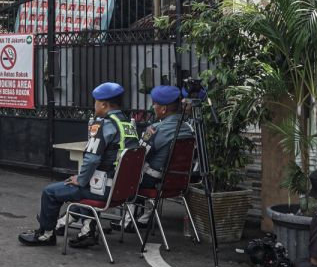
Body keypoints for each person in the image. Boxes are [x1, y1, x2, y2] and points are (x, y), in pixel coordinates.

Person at [19, 82, 140, 247]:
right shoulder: (128, 125)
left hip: (103, 189)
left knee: (50, 192)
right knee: (83, 187)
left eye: (95, 102)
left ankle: (46, 235)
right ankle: (87, 231)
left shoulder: (103, 124)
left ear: (104, 104)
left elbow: (91, 159)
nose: (94, 105)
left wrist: (81, 179)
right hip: (123, 190)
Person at [130, 85, 195, 230]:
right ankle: (144, 217)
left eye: (155, 104)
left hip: (153, 181)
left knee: (125, 176)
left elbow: (138, 156)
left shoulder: (155, 130)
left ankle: (129, 221)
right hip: (177, 181)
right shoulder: (188, 128)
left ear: (164, 109)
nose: (153, 107)